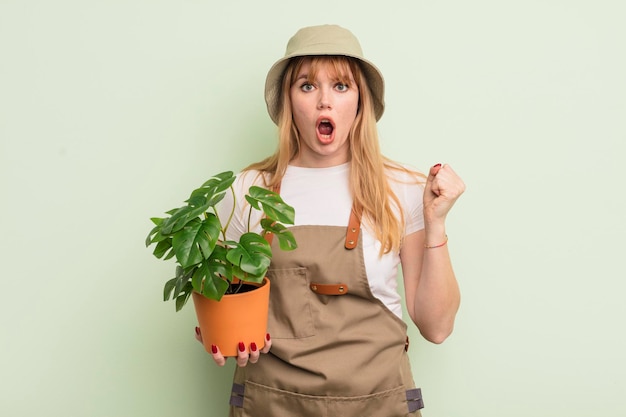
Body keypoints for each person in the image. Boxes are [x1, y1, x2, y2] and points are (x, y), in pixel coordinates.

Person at [195, 24, 465, 416]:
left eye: (341, 86)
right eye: (307, 86)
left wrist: (435, 224)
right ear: (289, 101)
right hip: (272, 404)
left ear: (360, 101)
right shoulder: (248, 190)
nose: (324, 101)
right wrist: (219, 334)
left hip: (379, 404)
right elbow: (223, 304)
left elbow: (436, 328)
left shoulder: (404, 188)